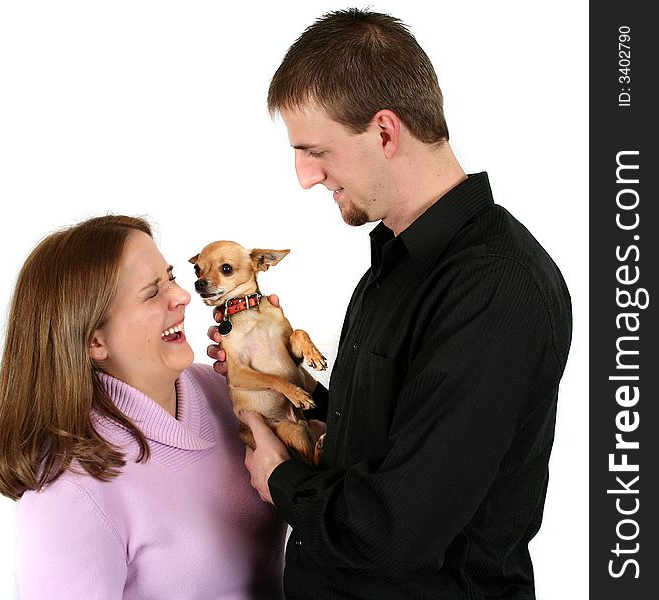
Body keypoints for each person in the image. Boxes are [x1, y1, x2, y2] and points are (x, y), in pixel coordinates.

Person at [208, 9, 573, 600]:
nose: (304, 176)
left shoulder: (496, 287)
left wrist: (281, 477)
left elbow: (393, 532)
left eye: (315, 150)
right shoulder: (394, 265)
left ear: (384, 131)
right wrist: (279, 385)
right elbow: (389, 439)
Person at [0, 215, 286, 599]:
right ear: (95, 342)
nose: (182, 296)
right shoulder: (71, 493)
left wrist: (284, 367)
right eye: (151, 292)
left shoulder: (223, 392)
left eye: (172, 276)